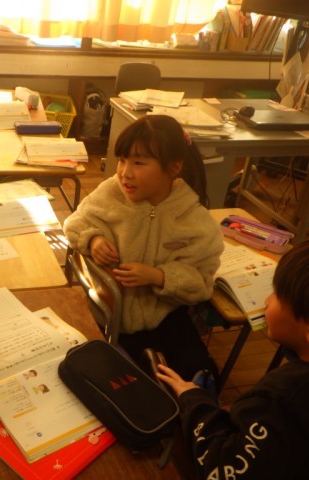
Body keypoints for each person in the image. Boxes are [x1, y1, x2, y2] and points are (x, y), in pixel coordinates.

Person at [158, 234, 309, 479]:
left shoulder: (283, 399)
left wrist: (194, 401)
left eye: (277, 293)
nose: (267, 301)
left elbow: (221, 469)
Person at [63, 115, 224, 381]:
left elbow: (202, 283)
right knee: (128, 379)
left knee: (196, 369)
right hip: (107, 315)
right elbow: (75, 222)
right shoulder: (111, 192)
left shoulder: (194, 220)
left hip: (165, 316)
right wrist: (93, 239)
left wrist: (159, 276)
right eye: (122, 160)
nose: (125, 172)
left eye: (138, 163)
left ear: (173, 168)